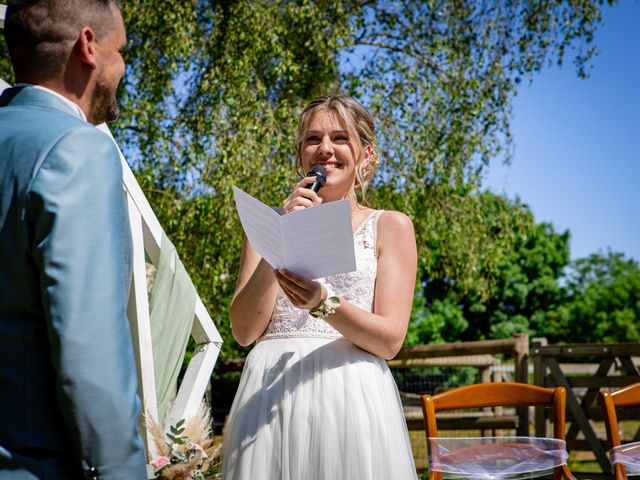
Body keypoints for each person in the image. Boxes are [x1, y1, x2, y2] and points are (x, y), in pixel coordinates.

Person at [222, 95, 419, 479]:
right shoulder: (264, 226)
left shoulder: (391, 226)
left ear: (364, 153)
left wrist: (323, 302)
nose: (325, 149)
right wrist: (280, 235)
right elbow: (243, 332)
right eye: (313, 139)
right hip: (267, 398)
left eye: (340, 138)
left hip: (349, 397)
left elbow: (390, 341)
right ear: (300, 155)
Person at [0, 1, 147, 478]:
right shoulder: (76, 148)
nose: (123, 66)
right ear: (88, 47)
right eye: (121, 50)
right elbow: (89, 350)